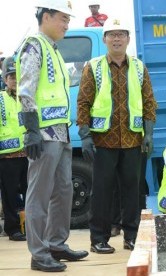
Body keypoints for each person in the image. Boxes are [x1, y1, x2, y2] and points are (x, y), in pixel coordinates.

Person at [16, 0, 88, 272]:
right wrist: (32, 130)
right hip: (44, 134)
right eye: (62, 18)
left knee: (63, 191)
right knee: (39, 195)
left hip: (61, 132)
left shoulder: (54, 49)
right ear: (45, 16)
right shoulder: (35, 45)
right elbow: (26, 90)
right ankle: (39, 253)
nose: (66, 24)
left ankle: (57, 243)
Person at [77, 17, 157, 254]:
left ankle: (132, 236)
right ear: (104, 39)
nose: (117, 38)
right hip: (103, 142)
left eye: (121, 34)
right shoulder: (93, 67)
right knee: (101, 191)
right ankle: (98, 239)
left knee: (133, 191)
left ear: (128, 39)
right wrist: (85, 136)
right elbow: (83, 102)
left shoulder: (139, 68)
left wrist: (149, 133)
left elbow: (149, 102)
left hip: (133, 140)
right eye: (112, 34)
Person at [0, 57, 28, 242]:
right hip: (7, 156)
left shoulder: (28, 96)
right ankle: (12, 229)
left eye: (17, 75)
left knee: (30, 192)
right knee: (9, 194)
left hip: (28, 154)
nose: (15, 79)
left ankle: (30, 226)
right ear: (4, 79)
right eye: (11, 76)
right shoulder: (1, 99)